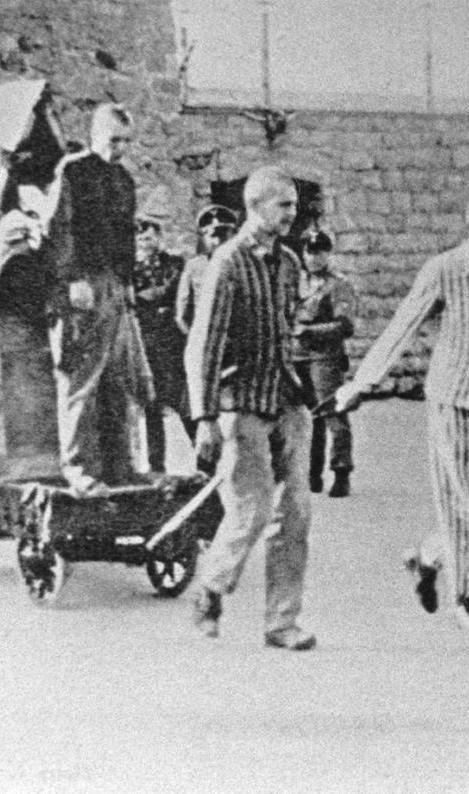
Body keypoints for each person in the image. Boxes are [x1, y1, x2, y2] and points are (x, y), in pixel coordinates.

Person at [335, 189, 469, 632]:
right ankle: (466, 598)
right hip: (454, 397)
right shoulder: (444, 270)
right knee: (462, 502)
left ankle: (427, 557)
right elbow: (402, 325)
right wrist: (363, 382)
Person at [185, 165, 316, 651]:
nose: (291, 214)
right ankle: (210, 592)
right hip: (241, 406)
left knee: (297, 513)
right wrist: (205, 419)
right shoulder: (227, 262)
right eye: (283, 205)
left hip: (286, 401)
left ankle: (282, 622)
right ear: (256, 206)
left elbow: (288, 331)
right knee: (252, 510)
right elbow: (203, 344)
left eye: (295, 206)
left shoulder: (289, 264)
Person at [45, 103, 153, 494]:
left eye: (125, 141)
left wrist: (126, 283)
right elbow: (59, 229)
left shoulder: (124, 180)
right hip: (82, 289)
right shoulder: (73, 172)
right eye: (112, 140)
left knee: (118, 380)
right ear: (94, 137)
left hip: (113, 288)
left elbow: (125, 236)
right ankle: (78, 470)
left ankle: (120, 466)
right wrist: (72, 278)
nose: (119, 149)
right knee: (81, 381)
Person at [293, 228, 357, 498]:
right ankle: (311, 473)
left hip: (324, 354)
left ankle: (341, 471)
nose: (313, 257)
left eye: (319, 251)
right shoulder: (296, 280)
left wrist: (312, 332)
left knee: (332, 412)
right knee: (307, 417)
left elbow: (345, 325)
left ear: (328, 253)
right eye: (308, 251)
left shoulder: (337, 283)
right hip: (296, 354)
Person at [132, 194, 193, 473]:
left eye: (150, 237)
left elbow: (174, 291)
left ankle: (204, 460)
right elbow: (132, 299)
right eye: (141, 239)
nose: (146, 242)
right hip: (147, 344)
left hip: (173, 344)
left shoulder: (175, 264)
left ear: (160, 238)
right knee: (152, 406)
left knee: (184, 402)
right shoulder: (130, 271)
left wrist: (150, 300)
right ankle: (157, 465)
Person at [176, 203, 239, 337]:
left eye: (223, 235)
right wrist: (195, 341)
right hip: (205, 339)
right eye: (212, 236)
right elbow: (181, 314)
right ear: (204, 238)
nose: (217, 241)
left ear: (234, 235)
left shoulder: (245, 265)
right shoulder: (194, 266)